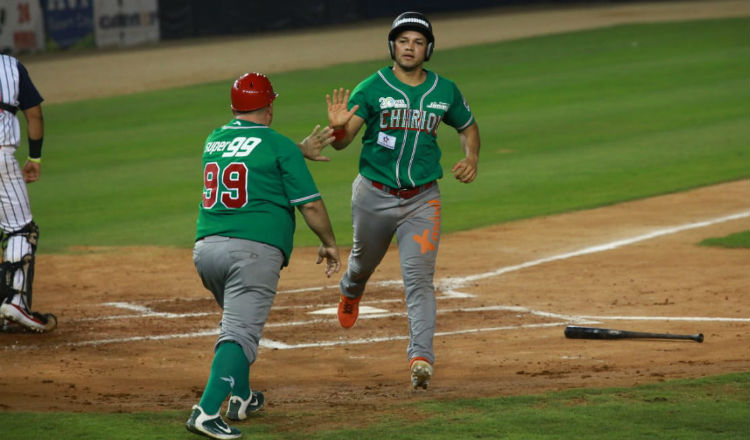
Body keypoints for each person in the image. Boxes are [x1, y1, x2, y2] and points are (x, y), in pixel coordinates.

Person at [304, 11, 480, 390]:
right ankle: (351, 290)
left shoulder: (444, 90)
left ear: (427, 49)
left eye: (417, 42)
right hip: (374, 196)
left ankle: (421, 358)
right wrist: (337, 125)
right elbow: (345, 139)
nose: (410, 48)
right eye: (403, 41)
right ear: (392, 46)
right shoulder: (372, 86)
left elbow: (467, 125)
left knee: (419, 280)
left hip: (423, 200)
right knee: (363, 263)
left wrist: (471, 156)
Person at [186, 72, 341, 440]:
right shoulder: (279, 145)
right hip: (252, 253)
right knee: (239, 334)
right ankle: (207, 412)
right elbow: (312, 206)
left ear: (233, 107)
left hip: (206, 251)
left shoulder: (214, 139)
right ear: (270, 108)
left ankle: (240, 397)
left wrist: (294, 151)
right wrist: (330, 242)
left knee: (234, 324)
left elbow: (254, 157)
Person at [0, 54, 57, 333]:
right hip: (1, 159)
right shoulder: (11, 67)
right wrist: (35, 158)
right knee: (21, 230)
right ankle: (15, 302)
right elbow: (34, 114)